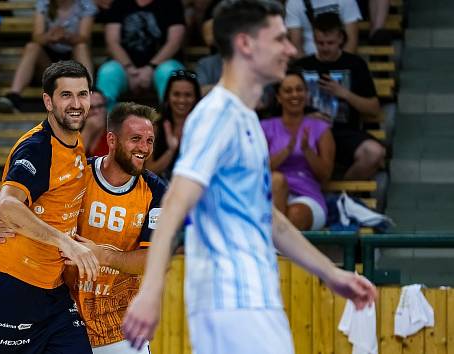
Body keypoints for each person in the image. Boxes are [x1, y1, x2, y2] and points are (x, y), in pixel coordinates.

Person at [122, 1, 377, 353]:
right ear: (245, 44)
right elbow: (176, 202)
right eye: (279, 39)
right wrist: (150, 291)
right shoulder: (217, 115)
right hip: (230, 297)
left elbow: (273, 221)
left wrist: (332, 274)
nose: (290, 48)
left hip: (254, 296)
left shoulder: (247, 120)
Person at [0, 102, 166, 354]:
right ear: (111, 140)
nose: (144, 148)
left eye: (149, 141)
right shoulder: (76, 173)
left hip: (120, 327)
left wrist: (102, 255)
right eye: (135, 139)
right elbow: (23, 210)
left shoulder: (156, 191)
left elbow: (152, 260)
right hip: (62, 320)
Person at [0, 60, 99, 354]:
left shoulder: (75, 143)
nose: (76, 103)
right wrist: (66, 242)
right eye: (66, 95)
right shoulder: (38, 147)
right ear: (48, 101)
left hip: (52, 291)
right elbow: (7, 206)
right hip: (10, 285)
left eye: (83, 94)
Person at [294, 12, 384, 180]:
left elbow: (373, 109)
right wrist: (305, 115)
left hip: (344, 132)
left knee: (374, 153)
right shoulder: (301, 66)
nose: (325, 48)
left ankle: (342, 196)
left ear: (341, 39)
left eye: (330, 43)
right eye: (320, 43)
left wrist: (345, 94)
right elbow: (281, 108)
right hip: (309, 132)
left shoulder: (355, 64)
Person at [262, 71, 335, 231]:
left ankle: (273, 247)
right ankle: (276, 245)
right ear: (279, 98)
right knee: (277, 180)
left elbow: (325, 175)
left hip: (307, 197)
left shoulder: (321, 128)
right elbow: (257, 170)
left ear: (307, 94)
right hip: (271, 196)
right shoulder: (265, 127)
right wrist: (287, 151)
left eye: (299, 89)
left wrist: (307, 150)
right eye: (288, 91)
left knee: (295, 215)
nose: (294, 95)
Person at [0, 0, 97, 113]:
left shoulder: (86, 4)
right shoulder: (44, 3)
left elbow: (85, 38)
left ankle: (89, 92)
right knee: (32, 46)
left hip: (73, 61)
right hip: (48, 63)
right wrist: (51, 36)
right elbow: (36, 37)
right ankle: (14, 96)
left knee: (81, 46)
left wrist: (66, 36)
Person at [95, 0, 186, 111]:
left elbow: (174, 42)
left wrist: (150, 68)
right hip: (125, 67)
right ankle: (103, 125)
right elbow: (112, 41)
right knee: (108, 72)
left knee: (168, 71)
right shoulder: (119, 3)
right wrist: (129, 68)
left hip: (161, 65)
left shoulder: (172, 3)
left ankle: (169, 124)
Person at [145, 69, 200, 180]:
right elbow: (148, 171)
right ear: (167, 97)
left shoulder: (204, 127)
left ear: (196, 98)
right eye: (176, 94)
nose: (182, 100)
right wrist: (171, 151)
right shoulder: (154, 128)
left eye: (188, 95)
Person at [285, 0, 362, 57]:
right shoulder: (294, 2)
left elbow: (351, 41)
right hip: (309, 64)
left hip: (341, 61)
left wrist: (341, 65)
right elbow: (296, 47)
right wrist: (308, 69)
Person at [81, 88, 109, 157]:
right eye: (91, 108)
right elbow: (70, 163)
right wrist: (87, 132)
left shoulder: (115, 135)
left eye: (100, 106)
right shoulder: (70, 135)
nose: (96, 112)